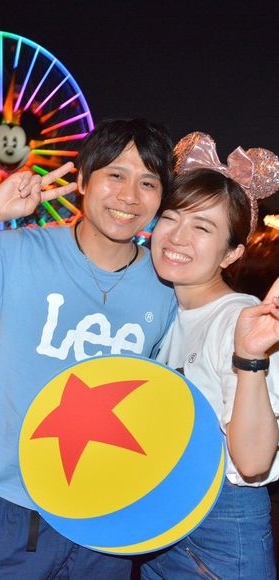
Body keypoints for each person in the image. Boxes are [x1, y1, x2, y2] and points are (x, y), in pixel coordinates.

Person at [0, 118, 177, 578]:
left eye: (148, 183)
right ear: (83, 181)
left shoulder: (165, 288)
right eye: (115, 175)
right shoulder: (18, 252)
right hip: (10, 503)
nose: (129, 196)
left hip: (106, 508)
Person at [141, 132, 279, 579]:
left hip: (221, 529)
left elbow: (253, 463)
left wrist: (249, 356)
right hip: (162, 512)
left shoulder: (239, 319)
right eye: (170, 217)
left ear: (232, 253)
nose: (177, 237)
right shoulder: (167, 311)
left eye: (202, 228)